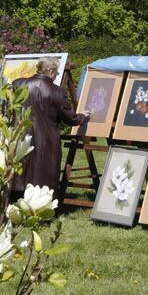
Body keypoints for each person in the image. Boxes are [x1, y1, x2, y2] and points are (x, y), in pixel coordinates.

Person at [12, 57, 90, 194]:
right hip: (46, 140)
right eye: (57, 73)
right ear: (52, 72)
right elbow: (70, 118)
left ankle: (15, 198)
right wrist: (83, 116)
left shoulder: (18, 84)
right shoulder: (57, 92)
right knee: (42, 174)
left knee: (22, 170)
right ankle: (40, 203)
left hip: (21, 136)